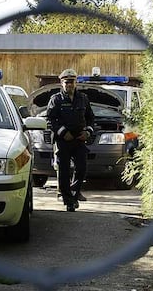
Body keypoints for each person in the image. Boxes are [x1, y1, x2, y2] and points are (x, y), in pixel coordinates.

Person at [47, 68, 94, 212]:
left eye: (71, 82)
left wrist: (88, 132)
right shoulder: (56, 99)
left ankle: (74, 193)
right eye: (66, 82)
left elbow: (90, 118)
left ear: (76, 83)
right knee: (64, 170)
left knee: (81, 168)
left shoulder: (83, 98)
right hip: (63, 140)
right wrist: (62, 132)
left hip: (79, 138)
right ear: (61, 83)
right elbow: (50, 120)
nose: (69, 85)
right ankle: (69, 201)